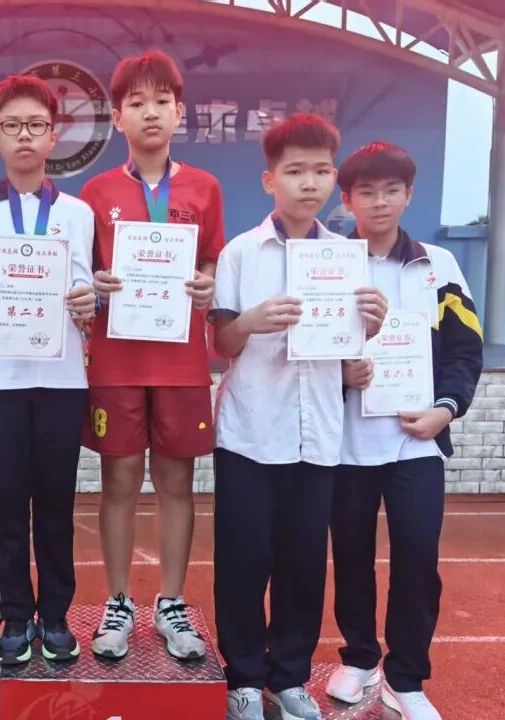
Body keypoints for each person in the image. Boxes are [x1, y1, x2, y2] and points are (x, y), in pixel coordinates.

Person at [210, 114, 387, 720]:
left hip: (318, 436)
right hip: (250, 434)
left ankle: (288, 677)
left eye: (320, 171)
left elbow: (350, 350)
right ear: (270, 180)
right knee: (243, 562)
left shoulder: (347, 257)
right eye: (294, 171)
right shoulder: (240, 253)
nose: (308, 183)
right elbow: (222, 344)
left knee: (304, 565)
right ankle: (242, 677)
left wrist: (372, 325)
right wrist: (250, 322)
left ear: (334, 180)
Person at [325, 142, 483, 720]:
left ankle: (406, 678)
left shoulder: (438, 266)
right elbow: (309, 350)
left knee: (417, 555)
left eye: (391, 190)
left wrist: (446, 409)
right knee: (351, 556)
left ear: (409, 195)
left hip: (416, 445)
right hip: (345, 445)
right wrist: (342, 375)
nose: (379, 201)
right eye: (366, 192)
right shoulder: (330, 264)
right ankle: (360, 658)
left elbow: (465, 349)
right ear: (347, 200)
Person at [0, 74, 96, 665]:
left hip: (62, 381)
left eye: (36, 125)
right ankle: (15, 616)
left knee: (56, 505)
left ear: (54, 135)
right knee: (8, 505)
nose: (25, 136)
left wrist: (89, 300)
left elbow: (86, 284)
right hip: (0, 382)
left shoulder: (79, 213)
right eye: (13, 126)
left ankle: (55, 615)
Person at [83, 50, 222, 662]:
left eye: (161, 101)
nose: (150, 112)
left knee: (175, 481)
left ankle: (171, 601)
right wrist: (97, 282)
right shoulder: (96, 191)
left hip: (181, 361)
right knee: (117, 481)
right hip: (116, 360)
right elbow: (85, 272)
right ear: (117, 118)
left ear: (179, 112)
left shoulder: (204, 187)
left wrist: (207, 280)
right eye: (136, 103)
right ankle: (117, 601)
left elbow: (211, 258)